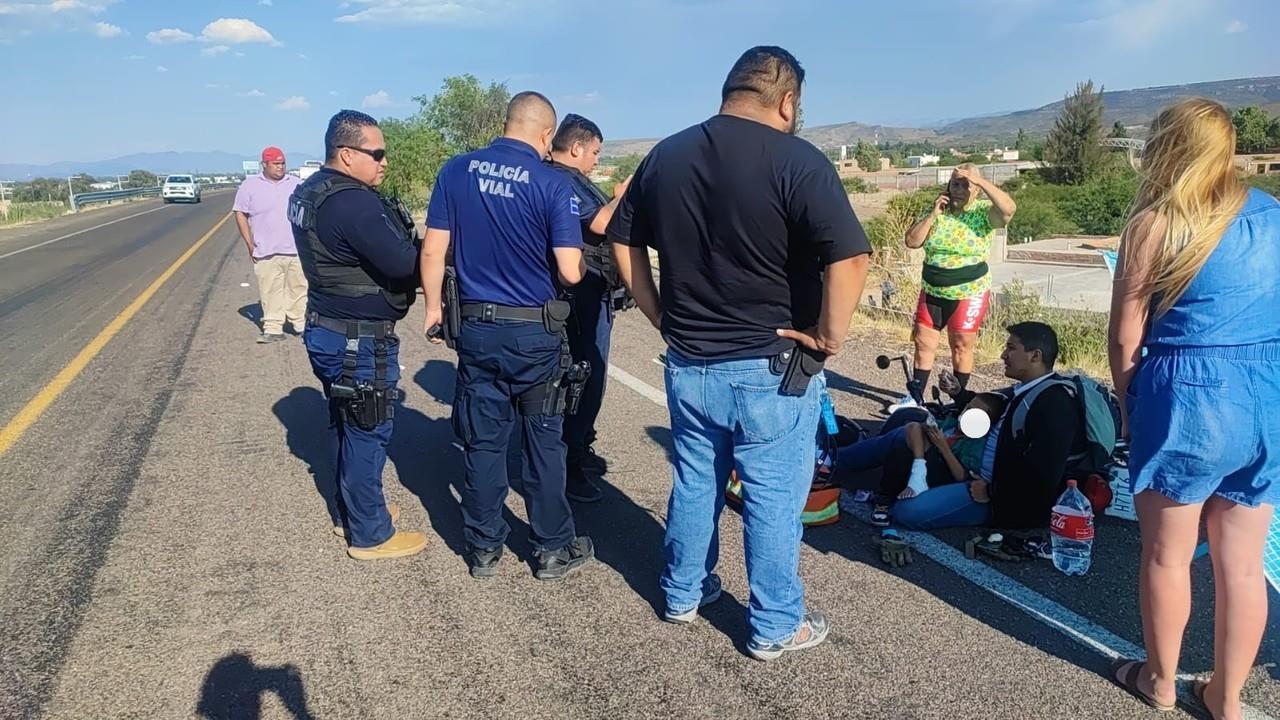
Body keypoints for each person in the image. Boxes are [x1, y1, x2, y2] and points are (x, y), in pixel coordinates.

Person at [608, 46, 871, 660]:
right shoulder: (798, 161)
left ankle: (682, 592)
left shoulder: (666, 155)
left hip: (689, 362)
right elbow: (851, 258)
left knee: (696, 482)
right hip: (770, 367)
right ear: (787, 101)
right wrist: (830, 338)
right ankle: (776, 624)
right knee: (772, 498)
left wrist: (658, 315)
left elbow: (622, 242)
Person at [1107, 98, 1280, 720]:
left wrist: (1131, 408)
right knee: (1241, 564)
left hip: (1188, 394)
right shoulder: (1272, 214)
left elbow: (1127, 339)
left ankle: (1158, 679)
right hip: (1264, 394)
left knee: (1167, 554)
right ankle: (1227, 699)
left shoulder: (1155, 224)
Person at [421, 92, 595, 582]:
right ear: (546, 135)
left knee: (483, 442)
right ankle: (552, 548)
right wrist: (580, 262)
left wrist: (434, 310)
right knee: (543, 441)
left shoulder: (456, 170)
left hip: (476, 330)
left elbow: (435, 251)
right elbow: (570, 270)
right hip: (536, 336)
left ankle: (483, 549)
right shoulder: (551, 183)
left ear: (506, 123)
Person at [289, 110, 427, 561]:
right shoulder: (355, 203)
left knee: (345, 423)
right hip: (358, 339)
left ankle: (350, 511)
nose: (384, 161)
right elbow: (405, 265)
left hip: (327, 329)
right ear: (346, 154)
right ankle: (370, 534)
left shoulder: (310, 191)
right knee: (368, 428)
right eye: (377, 153)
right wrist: (435, 249)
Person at [892, 322, 1084, 531]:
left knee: (907, 512)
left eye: (1011, 348)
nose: (1003, 355)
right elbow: (991, 409)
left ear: (1035, 356)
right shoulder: (1026, 388)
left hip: (992, 496)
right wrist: (959, 394)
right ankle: (849, 462)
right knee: (904, 429)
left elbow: (1046, 473)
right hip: (972, 468)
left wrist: (992, 492)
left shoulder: (1053, 403)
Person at [545, 113, 632, 503]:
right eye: (594, 151)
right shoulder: (562, 180)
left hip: (593, 291)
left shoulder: (573, 180)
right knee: (583, 377)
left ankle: (579, 447)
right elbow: (600, 223)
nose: (596, 159)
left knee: (588, 376)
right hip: (579, 296)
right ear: (576, 147)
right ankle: (569, 463)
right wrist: (624, 194)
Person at [898, 163, 1016, 405]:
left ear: (977, 189)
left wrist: (980, 180)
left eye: (966, 185)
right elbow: (911, 241)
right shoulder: (939, 212)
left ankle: (958, 398)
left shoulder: (983, 212)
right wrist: (932, 215)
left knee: (961, 346)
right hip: (932, 290)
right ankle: (915, 398)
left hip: (969, 292)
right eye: (955, 184)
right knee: (923, 342)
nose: (959, 190)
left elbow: (1008, 209)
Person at [831, 392, 1008, 527]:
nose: (967, 414)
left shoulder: (975, 443)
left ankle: (836, 463)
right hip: (926, 457)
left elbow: (961, 476)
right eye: (968, 408)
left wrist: (942, 446)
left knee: (901, 445)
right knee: (911, 425)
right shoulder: (951, 424)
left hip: (941, 469)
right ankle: (916, 468)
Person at [234, 146, 305, 343]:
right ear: (264, 165)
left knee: (299, 289)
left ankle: (301, 325)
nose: (280, 167)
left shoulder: (296, 184)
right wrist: (249, 243)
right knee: (270, 290)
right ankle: (273, 328)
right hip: (266, 251)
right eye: (275, 164)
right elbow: (240, 212)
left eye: (282, 163)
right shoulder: (249, 186)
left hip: (295, 249)